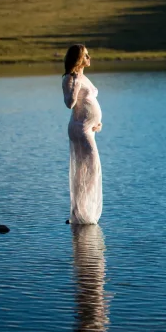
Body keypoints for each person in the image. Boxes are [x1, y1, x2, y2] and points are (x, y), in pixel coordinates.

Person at [62, 44, 103, 224]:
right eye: (86, 55)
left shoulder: (83, 77)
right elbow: (69, 103)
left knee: (87, 168)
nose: (89, 58)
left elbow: (89, 100)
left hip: (88, 127)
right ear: (79, 58)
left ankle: (80, 210)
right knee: (89, 167)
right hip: (79, 128)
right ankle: (78, 210)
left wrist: (98, 122)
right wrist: (76, 84)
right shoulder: (70, 79)